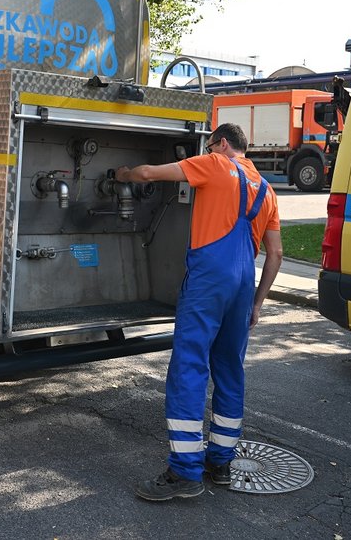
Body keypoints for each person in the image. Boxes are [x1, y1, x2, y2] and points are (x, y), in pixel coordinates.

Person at [115, 122, 283, 502]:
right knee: (229, 368)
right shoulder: (266, 189)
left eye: (210, 145)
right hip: (242, 283)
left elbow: (148, 174)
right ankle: (220, 462)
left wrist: (123, 174)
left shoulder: (214, 164)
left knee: (189, 366)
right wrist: (257, 303)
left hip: (209, 280)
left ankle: (185, 471)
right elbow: (275, 254)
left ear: (222, 144)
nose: (209, 150)